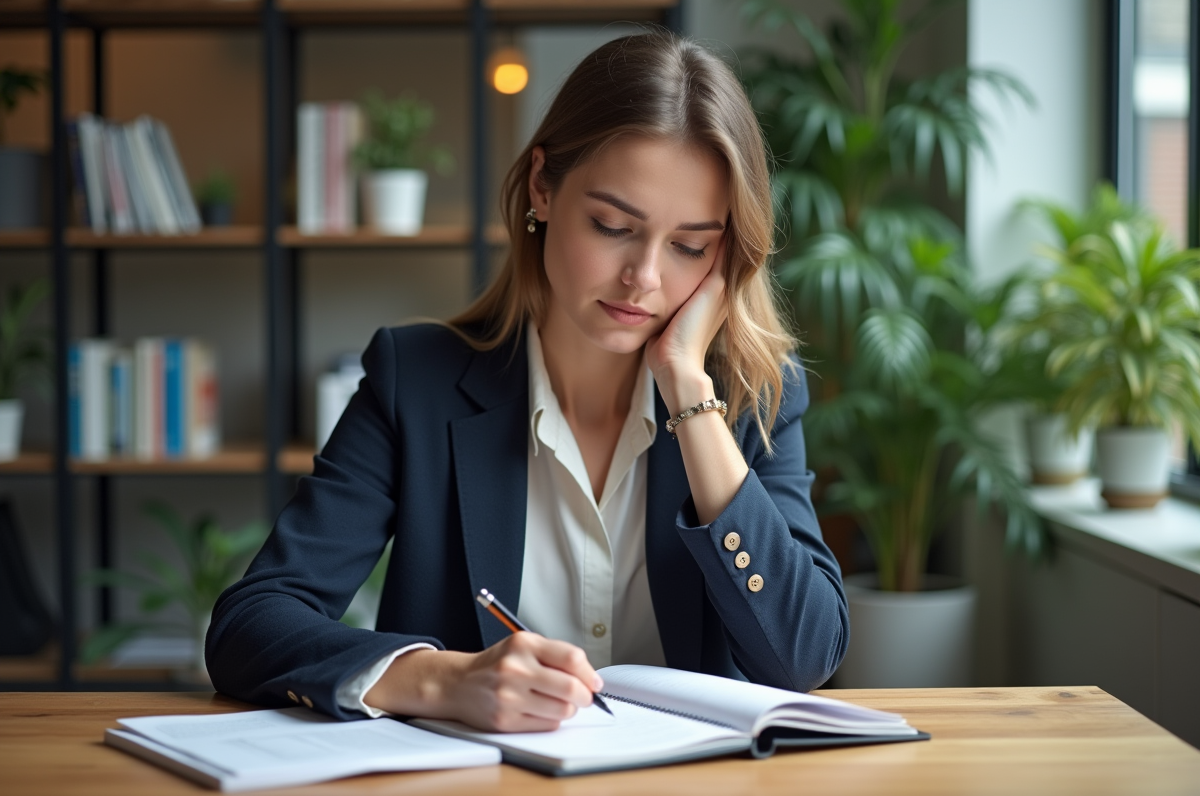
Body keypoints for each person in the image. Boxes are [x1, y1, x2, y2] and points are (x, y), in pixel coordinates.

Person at [207, 29, 847, 733]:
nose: (645, 278)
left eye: (691, 245)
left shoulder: (757, 395)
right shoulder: (414, 382)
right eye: (612, 226)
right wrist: (442, 679)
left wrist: (690, 394)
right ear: (542, 186)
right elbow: (250, 625)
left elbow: (805, 656)